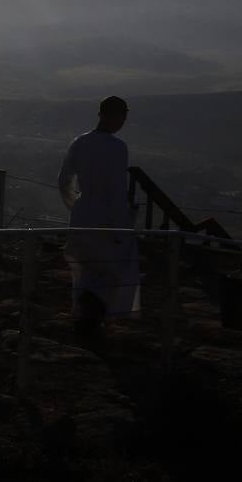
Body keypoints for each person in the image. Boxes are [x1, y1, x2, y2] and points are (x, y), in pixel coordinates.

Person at [56, 95, 141, 339]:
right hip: (107, 217)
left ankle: (82, 319)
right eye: (122, 117)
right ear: (115, 117)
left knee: (84, 270)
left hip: (83, 215)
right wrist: (122, 228)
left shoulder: (79, 142)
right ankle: (95, 322)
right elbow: (116, 191)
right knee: (110, 270)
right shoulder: (117, 148)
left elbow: (63, 181)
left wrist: (76, 207)